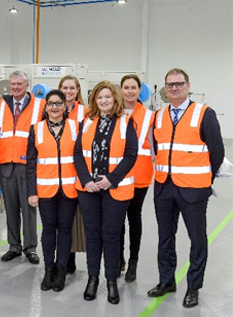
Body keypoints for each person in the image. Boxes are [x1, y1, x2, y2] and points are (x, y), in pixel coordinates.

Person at [147, 68, 224, 308]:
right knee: (165, 238)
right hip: (164, 187)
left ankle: (193, 287)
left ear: (188, 86)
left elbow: (217, 152)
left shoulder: (204, 114)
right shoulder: (158, 115)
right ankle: (166, 281)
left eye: (179, 83)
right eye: (170, 85)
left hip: (194, 189)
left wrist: (204, 179)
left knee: (197, 239)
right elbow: (156, 148)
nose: (174, 88)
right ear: (164, 89)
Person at [73, 81, 138, 304]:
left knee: (110, 236)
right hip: (89, 189)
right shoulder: (87, 121)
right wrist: (86, 180)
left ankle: (111, 281)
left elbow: (131, 155)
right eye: (100, 98)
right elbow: (78, 154)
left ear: (115, 99)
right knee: (92, 236)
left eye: (107, 97)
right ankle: (93, 279)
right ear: (94, 100)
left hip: (114, 189)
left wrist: (110, 180)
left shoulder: (126, 122)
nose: (104, 101)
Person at [26, 90, 79, 292]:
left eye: (58, 103)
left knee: (65, 230)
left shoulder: (75, 127)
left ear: (65, 106)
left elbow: (81, 159)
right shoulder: (36, 129)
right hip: (45, 190)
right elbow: (31, 163)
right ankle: (49, 270)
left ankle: (61, 271)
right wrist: (32, 191)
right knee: (49, 230)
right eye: (51, 103)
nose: (54, 107)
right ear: (46, 107)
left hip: (69, 190)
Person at [0, 70, 44, 264]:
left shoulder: (40, 106)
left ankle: (30, 248)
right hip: (7, 165)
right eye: (13, 84)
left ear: (27, 85)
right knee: (11, 209)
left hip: (28, 166)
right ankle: (14, 246)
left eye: (19, 84)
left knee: (29, 209)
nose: (15, 87)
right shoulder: (1, 105)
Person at [119, 74, 154, 282]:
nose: (130, 91)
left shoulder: (150, 116)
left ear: (140, 90)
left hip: (140, 175)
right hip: (118, 175)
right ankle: (119, 259)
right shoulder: (114, 113)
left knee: (134, 217)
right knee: (118, 220)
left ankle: (133, 262)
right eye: (126, 87)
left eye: (134, 88)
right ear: (121, 90)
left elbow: (154, 148)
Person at [57, 75, 88, 274]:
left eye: (72, 88)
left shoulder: (86, 112)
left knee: (75, 219)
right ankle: (61, 258)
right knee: (59, 219)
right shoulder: (51, 110)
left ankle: (71, 258)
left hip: (78, 172)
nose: (68, 91)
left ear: (77, 91)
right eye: (65, 88)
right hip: (56, 173)